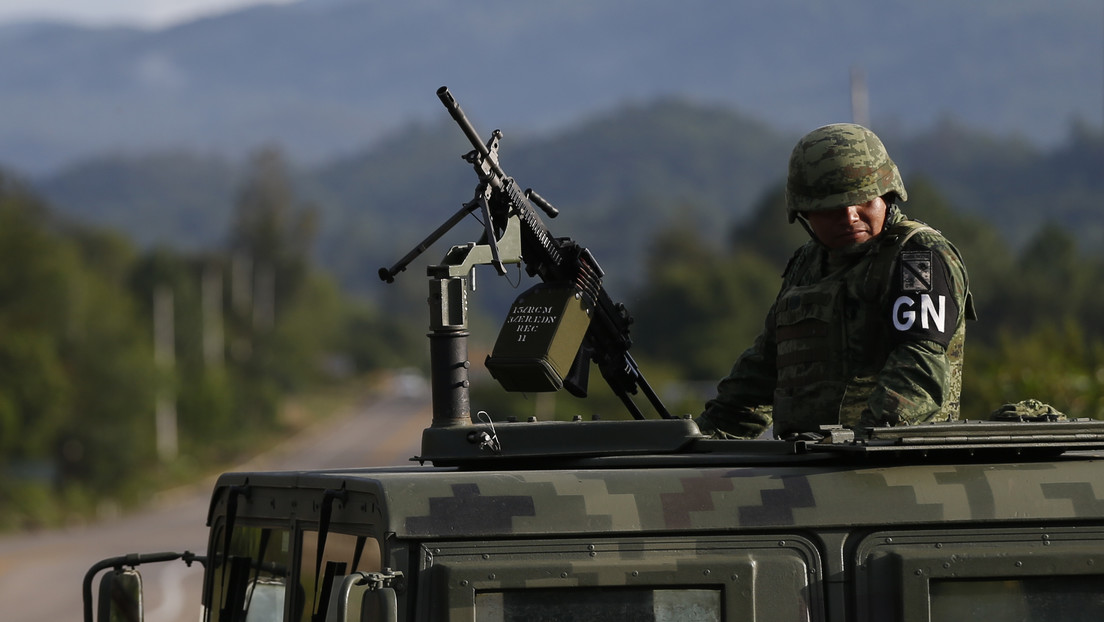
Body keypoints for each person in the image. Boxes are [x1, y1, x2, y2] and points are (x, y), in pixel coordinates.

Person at [698, 123, 975, 439]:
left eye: (863, 201)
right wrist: (701, 435)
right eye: (831, 209)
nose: (849, 217)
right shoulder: (808, 263)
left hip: (888, 463)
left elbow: (919, 370)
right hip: (808, 463)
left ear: (887, 195)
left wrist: (861, 439)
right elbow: (764, 368)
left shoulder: (916, 257)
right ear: (805, 213)